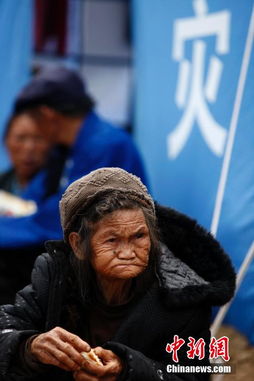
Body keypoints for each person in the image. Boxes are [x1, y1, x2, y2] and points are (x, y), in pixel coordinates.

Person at [0, 167, 236, 381]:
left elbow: (192, 373)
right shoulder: (55, 276)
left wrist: (127, 369)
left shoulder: (184, 294)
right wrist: (30, 346)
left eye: (139, 236)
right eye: (112, 240)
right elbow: (6, 330)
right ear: (79, 245)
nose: (127, 252)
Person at [0, 66, 148, 303]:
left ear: (47, 115)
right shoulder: (69, 147)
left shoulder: (106, 146)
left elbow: (58, 222)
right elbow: (34, 202)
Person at [0, 112, 50, 196]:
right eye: (20, 138)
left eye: (38, 138)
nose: (29, 147)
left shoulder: (62, 185)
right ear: (6, 141)